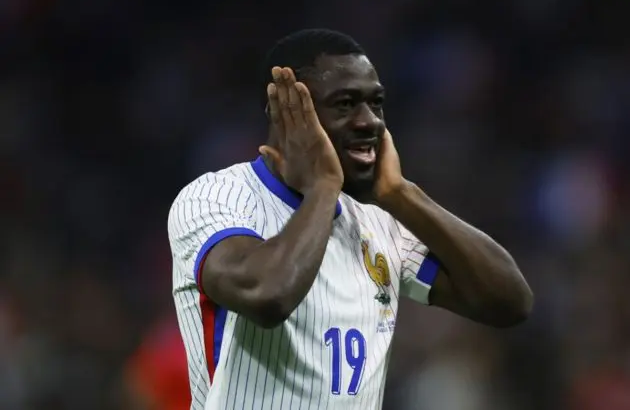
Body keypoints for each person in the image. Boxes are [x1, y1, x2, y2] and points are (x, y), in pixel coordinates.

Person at [168, 28, 533, 410]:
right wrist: (324, 186)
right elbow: (266, 296)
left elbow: (509, 302)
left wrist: (402, 195)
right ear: (286, 112)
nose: (369, 122)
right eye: (344, 104)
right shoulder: (216, 197)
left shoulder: (378, 220)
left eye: (375, 104)